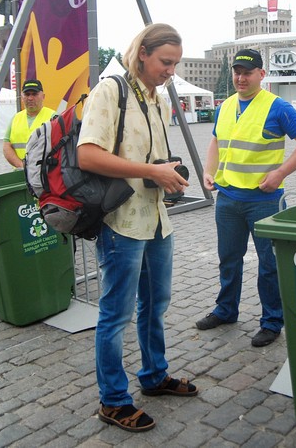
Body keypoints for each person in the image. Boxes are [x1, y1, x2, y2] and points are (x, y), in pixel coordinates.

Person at [77, 23, 197, 433]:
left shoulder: (158, 98)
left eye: (176, 64)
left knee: (155, 304)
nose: (170, 71)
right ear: (142, 52)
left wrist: (168, 172)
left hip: (158, 219)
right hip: (122, 223)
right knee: (115, 315)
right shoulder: (110, 91)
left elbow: (154, 159)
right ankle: (112, 400)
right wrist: (150, 169)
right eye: (166, 62)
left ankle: (154, 376)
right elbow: (88, 155)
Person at [196, 49, 296, 347]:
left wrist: (280, 173)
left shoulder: (278, 107)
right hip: (227, 198)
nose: (240, 77)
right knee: (228, 259)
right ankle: (226, 310)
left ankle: (272, 320)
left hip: (264, 200)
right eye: (237, 71)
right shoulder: (225, 106)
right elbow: (216, 140)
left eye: (247, 72)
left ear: (261, 75)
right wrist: (208, 171)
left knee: (270, 264)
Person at [3, 80, 55, 169]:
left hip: (44, 175)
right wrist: (21, 165)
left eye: (34, 94)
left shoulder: (53, 117)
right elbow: (7, 146)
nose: (30, 98)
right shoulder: (15, 118)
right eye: (27, 94)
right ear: (22, 97)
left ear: (43, 96)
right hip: (19, 174)